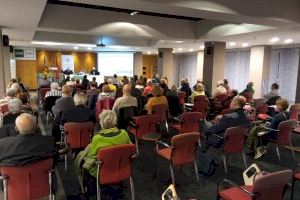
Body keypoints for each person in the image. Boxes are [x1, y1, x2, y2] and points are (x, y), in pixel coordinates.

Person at [76, 110, 132, 178]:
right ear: (115, 121)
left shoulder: (97, 138)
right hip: (121, 168)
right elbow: (131, 149)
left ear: (101, 123)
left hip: (101, 171)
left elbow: (92, 157)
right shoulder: (124, 133)